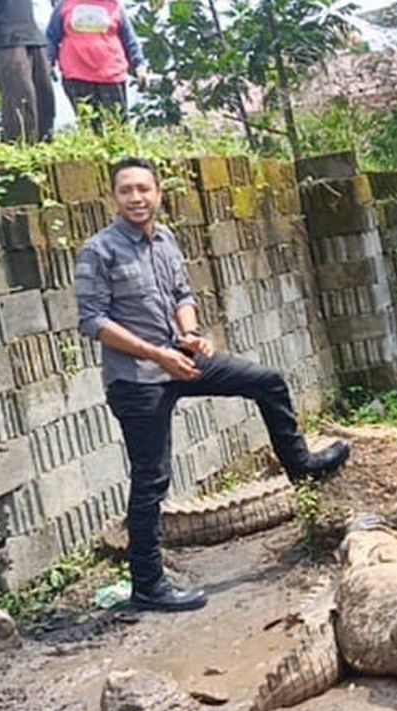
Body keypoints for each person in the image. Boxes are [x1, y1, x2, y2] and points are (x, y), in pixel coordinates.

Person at [75, 157, 351, 612]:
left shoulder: (165, 240)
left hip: (181, 358)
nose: (136, 198)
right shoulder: (99, 251)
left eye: (144, 189)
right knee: (151, 479)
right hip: (137, 380)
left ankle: (301, 466)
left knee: (266, 382)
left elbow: (183, 295)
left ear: (158, 193)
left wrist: (190, 334)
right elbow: (93, 320)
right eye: (126, 190)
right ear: (114, 198)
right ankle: (148, 585)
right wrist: (156, 353)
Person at [46, 0, 147, 125]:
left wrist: (140, 66)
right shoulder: (65, 5)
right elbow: (51, 38)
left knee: (117, 125)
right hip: (76, 76)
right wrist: (48, 62)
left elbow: (130, 40)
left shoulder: (115, 7)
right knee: (88, 126)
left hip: (112, 76)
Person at [0, 0, 56, 143]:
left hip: (34, 37)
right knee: (20, 99)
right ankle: (19, 146)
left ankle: (44, 144)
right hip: (6, 39)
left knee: (44, 97)